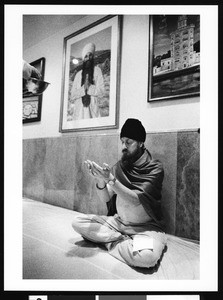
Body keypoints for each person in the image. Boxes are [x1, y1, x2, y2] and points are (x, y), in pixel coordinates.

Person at [72, 118, 167, 269]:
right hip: (118, 224)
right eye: (122, 141)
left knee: (146, 257)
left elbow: (135, 200)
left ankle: (111, 241)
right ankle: (121, 240)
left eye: (128, 142)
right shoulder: (121, 166)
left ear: (141, 143)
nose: (124, 146)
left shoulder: (155, 169)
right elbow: (106, 197)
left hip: (145, 229)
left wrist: (110, 179)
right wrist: (100, 180)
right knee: (77, 222)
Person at [69, 42, 105, 120]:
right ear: (83, 59)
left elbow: (102, 92)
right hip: (79, 113)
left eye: (90, 55)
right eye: (86, 56)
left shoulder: (97, 70)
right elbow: (72, 95)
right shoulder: (78, 74)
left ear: (92, 57)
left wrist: (90, 87)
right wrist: (83, 88)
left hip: (93, 111)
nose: (88, 58)